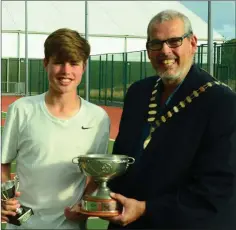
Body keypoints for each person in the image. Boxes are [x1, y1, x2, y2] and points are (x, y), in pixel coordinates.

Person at [103, 10, 236, 229]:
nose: (165, 51)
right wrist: (100, 191)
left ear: (192, 43)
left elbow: (217, 188)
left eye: (174, 41)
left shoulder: (222, 103)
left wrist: (147, 208)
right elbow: (124, 160)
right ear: (148, 51)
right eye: (156, 43)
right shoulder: (138, 93)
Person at [1, 28, 110, 229]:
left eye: (74, 63)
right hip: (23, 225)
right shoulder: (22, 109)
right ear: (46, 64)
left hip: (70, 226)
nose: (66, 71)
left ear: (84, 67)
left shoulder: (98, 118)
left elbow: (98, 176)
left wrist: (83, 204)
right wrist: (6, 199)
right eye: (58, 62)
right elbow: (3, 163)